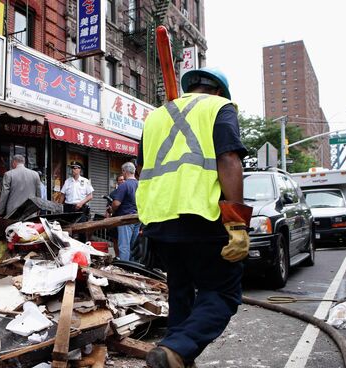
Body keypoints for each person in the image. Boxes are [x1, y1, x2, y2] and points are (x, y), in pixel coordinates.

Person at [136, 67, 251, 368]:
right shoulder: (220, 107)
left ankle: (175, 356)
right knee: (223, 291)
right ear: (218, 91)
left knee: (181, 289)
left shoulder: (155, 116)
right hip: (202, 214)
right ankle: (177, 347)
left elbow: (142, 170)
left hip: (159, 218)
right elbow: (228, 159)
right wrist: (237, 220)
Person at [110, 163, 139, 261]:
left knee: (124, 246)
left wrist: (112, 208)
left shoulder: (124, 185)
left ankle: (124, 270)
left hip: (125, 220)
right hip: (138, 218)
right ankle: (134, 269)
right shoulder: (140, 184)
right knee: (134, 246)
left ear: (124, 171)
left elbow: (116, 204)